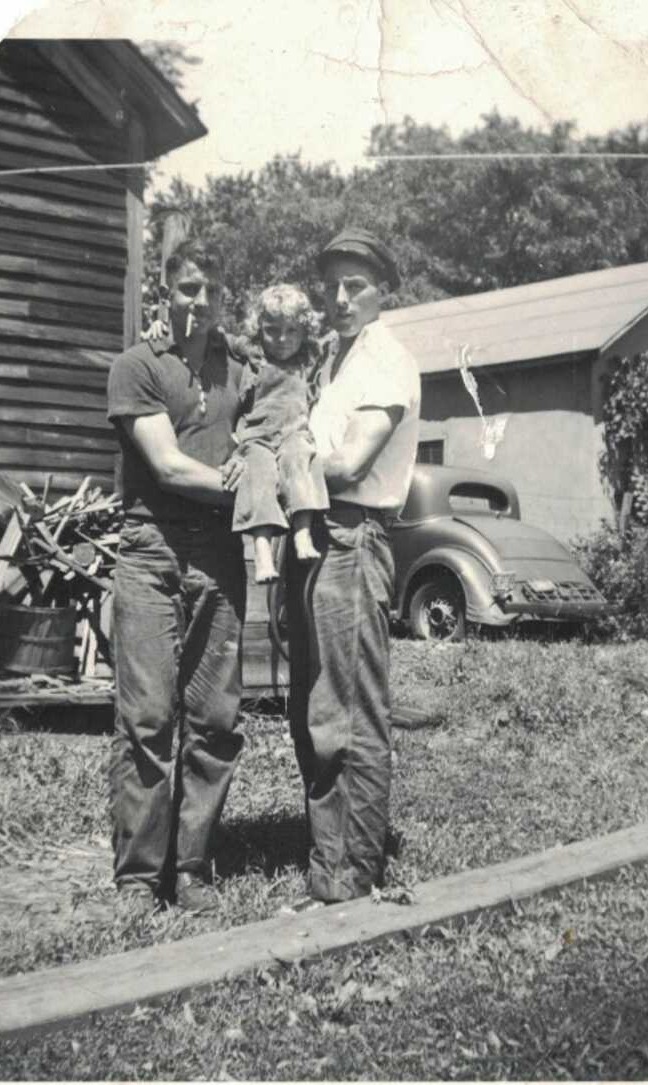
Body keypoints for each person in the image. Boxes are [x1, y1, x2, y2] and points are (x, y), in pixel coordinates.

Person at [106, 237, 249, 916]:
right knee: (148, 715)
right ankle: (139, 877)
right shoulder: (136, 365)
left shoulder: (239, 368)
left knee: (215, 716)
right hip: (150, 549)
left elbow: (284, 407)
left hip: (220, 552)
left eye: (212, 289)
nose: (201, 300)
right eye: (189, 287)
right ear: (166, 291)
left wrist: (265, 459)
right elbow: (165, 466)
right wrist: (255, 488)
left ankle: (191, 866)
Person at [286, 228, 421, 909]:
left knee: (349, 711)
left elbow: (348, 463)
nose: (339, 299)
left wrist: (280, 462)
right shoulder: (336, 360)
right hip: (318, 532)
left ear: (384, 289)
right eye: (331, 286)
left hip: (354, 534)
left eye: (355, 286)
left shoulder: (387, 358)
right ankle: (327, 856)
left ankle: (350, 871)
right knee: (313, 706)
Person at [231, 283, 329, 583]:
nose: (282, 339)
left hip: (293, 433)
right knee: (258, 476)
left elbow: (336, 339)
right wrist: (160, 324)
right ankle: (262, 554)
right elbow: (216, 337)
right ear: (259, 329)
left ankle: (302, 535)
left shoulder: (309, 357)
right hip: (257, 437)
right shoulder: (253, 354)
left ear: (304, 331)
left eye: (292, 331)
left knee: (299, 461)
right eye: (272, 330)